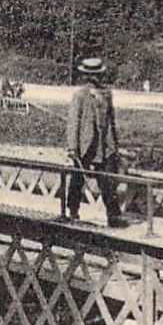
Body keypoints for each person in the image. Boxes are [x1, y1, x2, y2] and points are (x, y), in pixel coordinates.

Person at [64, 57, 127, 228]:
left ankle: (113, 216)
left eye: (97, 75)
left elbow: (112, 120)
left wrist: (115, 144)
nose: (94, 79)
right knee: (78, 178)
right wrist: (72, 147)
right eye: (91, 76)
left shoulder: (106, 94)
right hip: (86, 144)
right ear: (86, 76)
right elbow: (73, 122)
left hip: (104, 145)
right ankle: (72, 211)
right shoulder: (80, 95)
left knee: (107, 180)